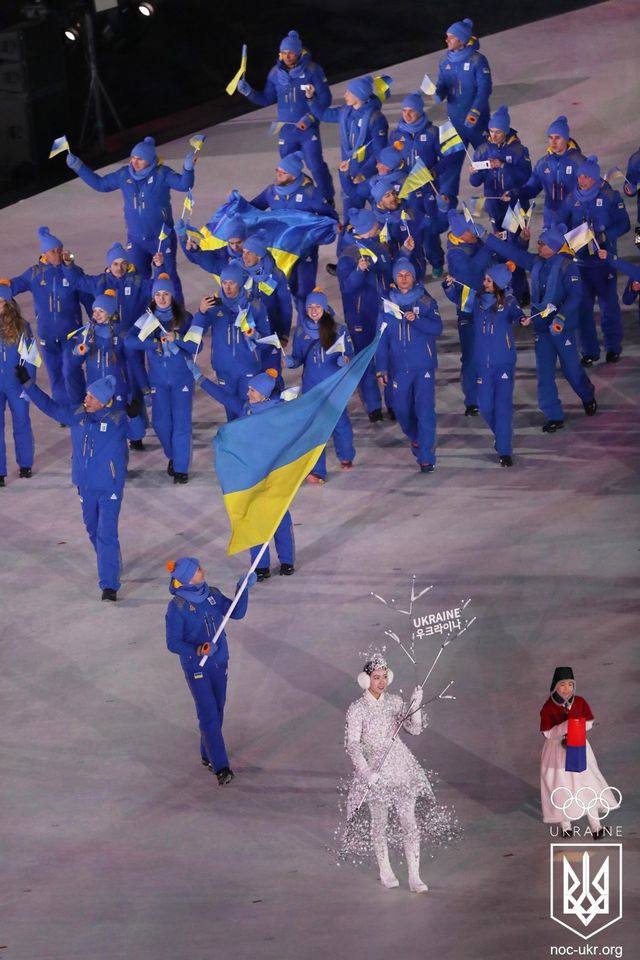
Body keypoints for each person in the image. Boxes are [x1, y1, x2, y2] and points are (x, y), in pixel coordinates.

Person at [15, 369, 138, 600]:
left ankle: (109, 585)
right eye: (87, 395)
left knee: (106, 533)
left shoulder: (117, 419)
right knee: (92, 530)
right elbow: (50, 407)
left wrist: (136, 415)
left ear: (103, 401)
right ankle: (110, 561)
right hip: (85, 486)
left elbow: (137, 432)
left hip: (109, 487)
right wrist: (28, 384)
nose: (86, 399)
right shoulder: (78, 415)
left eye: (91, 397)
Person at [485, 223, 597, 432]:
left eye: (542, 244)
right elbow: (512, 252)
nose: (538, 246)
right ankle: (552, 414)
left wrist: (561, 317)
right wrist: (486, 237)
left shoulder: (567, 267)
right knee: (544, 374)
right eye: (538, 243)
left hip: (562, 329)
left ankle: (587, 394)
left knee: (572, 370)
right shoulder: (536, 262)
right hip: (542, 329)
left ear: (553, 247)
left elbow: (575, 296)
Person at [62, 241, 170, 450]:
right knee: (104, 382)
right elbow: (77, 281)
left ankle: (136, 427)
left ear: (128, 264)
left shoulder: (137, 282)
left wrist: (159, 267)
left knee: (132, 383)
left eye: (122, 263)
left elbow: (158, 287)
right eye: (115, 264)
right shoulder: (101, 282)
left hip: (132, 340)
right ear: (109, 265)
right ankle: (105, 425)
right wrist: (69, 265)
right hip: (105, 338)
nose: (119, 268)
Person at [190, 369, 295, 580]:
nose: (248, 393)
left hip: (274, 475)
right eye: (249, 389)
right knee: (254, 519)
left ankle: (287, 561)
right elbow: (224, 397)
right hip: (251, 476)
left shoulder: (279, 413)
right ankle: (261, 565)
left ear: (264, 394)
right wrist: (201, 379)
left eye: (253, 390)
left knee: (280, 518)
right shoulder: (247, 409)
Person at [345, 656, 430, 893]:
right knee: (379, 822)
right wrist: (366, 772)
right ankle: (385, 870)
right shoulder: (357, 709)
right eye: (376, 677)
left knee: (409, 821)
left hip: (401, 767)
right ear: (366, 680)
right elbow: (353, 745)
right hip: (375, 770)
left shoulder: (394, 702)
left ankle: (414, 876)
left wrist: (415, 705)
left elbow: (414, 729)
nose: (381, 682)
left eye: (384, 676)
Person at [165, 556, 253, 785]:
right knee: (209, 715)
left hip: (220, 662)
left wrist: (242, 589)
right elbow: (173, 643)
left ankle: (207, 752)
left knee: (218, 710)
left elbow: (236, 612)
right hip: (198, 668)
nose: (202, 570)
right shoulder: (177, 607)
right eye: (197, 569)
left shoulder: (212, 594)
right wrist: (198, 650)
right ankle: (221, 766)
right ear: (187, 578)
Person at [66, 137, 195, 291]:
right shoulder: (124, 175)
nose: (134, 162)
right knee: (137, 282)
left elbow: (184, 185)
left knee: (167, 279)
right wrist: (78, 166)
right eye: (133, 157)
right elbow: (100, 184)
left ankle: (176, 308)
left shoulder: (162, 174)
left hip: (161, 239)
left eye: (140, 159)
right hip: (136, 240)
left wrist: (188, 169)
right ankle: (143, 307)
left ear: (150, 160)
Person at [446, 262, 529, 466]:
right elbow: (458, 298)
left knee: (503, 408)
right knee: (484, 406)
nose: (484, 283)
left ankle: (504, 450)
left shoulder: (509, 301)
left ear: (499, 283)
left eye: (489, 281)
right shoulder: (476, 299)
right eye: (485, 279)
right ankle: (501, 437)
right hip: (483, 363)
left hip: (504, 363)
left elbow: (517, 315)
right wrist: (449, 286)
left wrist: (522, 320)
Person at [236, 30, 334, 202]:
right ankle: (298, 197)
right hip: (286, 130)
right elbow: (267, 99)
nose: (287, 56)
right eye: (283, 53)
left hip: (307, 129)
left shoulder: (313, 70)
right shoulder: (275, 73)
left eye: (291, 53)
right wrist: (249, 92)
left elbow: (325, 99)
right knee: (288, 169)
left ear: (299, 52)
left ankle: (326, 198)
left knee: (316, 166)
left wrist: (310, 118)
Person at [558, 155, 630, 364]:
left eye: (586, 177)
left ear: (595, 178)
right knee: (583, 308)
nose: (581, 180)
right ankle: (589, 351)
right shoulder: (571, 199)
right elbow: (560, 224)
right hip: (581, 264)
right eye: (579, 176)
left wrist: (604, 236)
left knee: (609, 307)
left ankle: (613, 347)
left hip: (604, 262)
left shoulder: (610, 197)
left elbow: (624, 224)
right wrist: (564, 235)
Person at [251, 152, 338, 321]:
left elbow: (329, 217)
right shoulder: (271, 192)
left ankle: (306, 326)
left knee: (304, 292)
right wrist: (235, 206)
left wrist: (331, 228)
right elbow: (253, 208)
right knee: (288, 288)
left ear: (293, 175)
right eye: (277, 171)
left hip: (305, 251)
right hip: (282, 252)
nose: (278, 175)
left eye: (283, 173)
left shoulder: (310, 193)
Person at [10, 226, 91, 406]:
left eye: (60, 249)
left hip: (72, 333)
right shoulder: (34, 274)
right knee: (55, 373)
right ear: (44, 255)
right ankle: (62, 408)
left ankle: (79, 406)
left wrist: (97, 319)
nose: (58, 254)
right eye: (53, 251)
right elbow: (14, 285)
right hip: (47, 334)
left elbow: (87, 298)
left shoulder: (73, 272)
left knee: (71, 369)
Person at [126, 274, 195, 483]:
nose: (162, 298)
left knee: (181, 424)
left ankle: (181, 468)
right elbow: (129, 341)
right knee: (160, 424)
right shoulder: (147, 319)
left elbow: (196, 346)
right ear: (153, 297)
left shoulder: (185, 318)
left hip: (182, 379)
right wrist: (153, 343)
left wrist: (178, 338)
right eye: (158, 294)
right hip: (158, 381)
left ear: (172, 296)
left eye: (166, 294)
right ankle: (174, 456)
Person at [182, 262, 272, 422]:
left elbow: (266, 342)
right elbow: (195, 334)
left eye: (232, 283)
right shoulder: (213, 305)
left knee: (248, 414)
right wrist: (201, 313)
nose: (227, 287)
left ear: (240, 283)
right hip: (224, 370)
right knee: (231, 414)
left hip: (248, 368)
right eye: (224, 283)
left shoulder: (255, 306)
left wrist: (254, 335)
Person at [376, 259, 442, 473]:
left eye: (408, 275)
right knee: (402, 410)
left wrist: (417, 320)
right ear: (395, 279)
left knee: (425, 411)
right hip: (399, 368)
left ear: (413, 278)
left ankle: (426, 457)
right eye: (400, 275)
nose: (404, 278)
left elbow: (437, 329)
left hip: (423, 367)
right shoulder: (387, 307)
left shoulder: (426, 301)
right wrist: (381, 369)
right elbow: (381, 341)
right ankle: (416, 437)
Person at [285, 289, 355, 483]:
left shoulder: (339, 330)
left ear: (324, 308)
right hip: (312, 387)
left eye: (317, 306)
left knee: (339, 423)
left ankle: (346, 455)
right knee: (314, 428)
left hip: (334, 386)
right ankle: (317, 470)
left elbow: (350, 354)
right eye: (310, 307)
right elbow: (298, 357)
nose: (314, 310)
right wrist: (290, 361)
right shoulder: (301, 332)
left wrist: (345, 360)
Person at [540, 667, 620, 837]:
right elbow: (547, 733)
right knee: (561, 787)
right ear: (555, 686)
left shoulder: (580, 702)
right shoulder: (548, 707)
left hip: (578, 747)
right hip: (557, 754)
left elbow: (589, 722)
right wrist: (565, 727)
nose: (567, 689)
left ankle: (596, 827)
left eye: (570, 684)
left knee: (587, 784)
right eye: (562, 685)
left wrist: (578, 726)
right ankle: (566, 826)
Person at [337, 208, 393, 421]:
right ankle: (373, 406)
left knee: (389, 357)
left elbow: (389, 273)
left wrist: (404, 254)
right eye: (375, 224)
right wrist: (359, 271)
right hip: (361, 316)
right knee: (366, 360)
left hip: (384, 311)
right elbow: (347, 287)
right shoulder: (348, 255)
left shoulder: (378, 246)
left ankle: (393, 403)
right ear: (369, 227)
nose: (378, 226)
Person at [432, 19, 492, 198]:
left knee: (486, 159)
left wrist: (475, 112)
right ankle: (447, 201)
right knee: (450, 161)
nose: (447, 40)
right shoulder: (444, 61)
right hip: (454, 123)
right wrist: (438, 93)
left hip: (477, 123)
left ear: (461, 40)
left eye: (451, 37)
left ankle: (496, 196)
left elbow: (484, 89)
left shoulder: (477, 60)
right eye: (447, 37)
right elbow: (442, 83)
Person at [443, 208, 495, 416]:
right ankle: (472, 400)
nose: (474, 232)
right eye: (469, 230)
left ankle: (490, 394)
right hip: (469, 312)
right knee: (472, 357)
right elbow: (473, 273)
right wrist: (489, 245)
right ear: (459, 233)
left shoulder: (473, 243)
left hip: (489, 307)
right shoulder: (455, 255)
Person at [514, 116, 585, 227]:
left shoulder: (580, 162)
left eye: (557, 138)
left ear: (566, 138)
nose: (553, 142)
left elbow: (591, 190)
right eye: (550, 138)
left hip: (574, 221)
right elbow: (532, 188)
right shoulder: (543, 164)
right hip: (551, 221)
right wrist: (515, 192)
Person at [0, 282, 36, 485]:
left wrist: (28, 382)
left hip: (16, 385)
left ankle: (25, 464)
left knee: (22, 423)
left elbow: (30, 357)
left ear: (8, 303)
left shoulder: (22, 327)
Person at [242, 233, 293, 344]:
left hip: (270, 329)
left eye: (249, 253)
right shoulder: (240, 270)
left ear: (259, 256)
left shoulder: (276, 275)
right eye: (244, 252)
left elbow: (285, 305)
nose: (244, 257)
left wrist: (284, 334)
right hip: (246, 329)